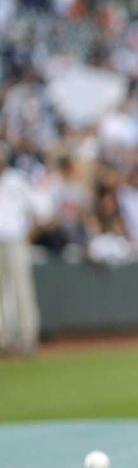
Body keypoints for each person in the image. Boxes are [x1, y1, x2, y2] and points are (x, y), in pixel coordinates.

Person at [0, 145, 39, 356]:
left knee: (22, 289)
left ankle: (27, 337)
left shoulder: (17, 179)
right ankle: (4, 338)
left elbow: (40, 208)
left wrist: (29, 233)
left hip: (15, 238)